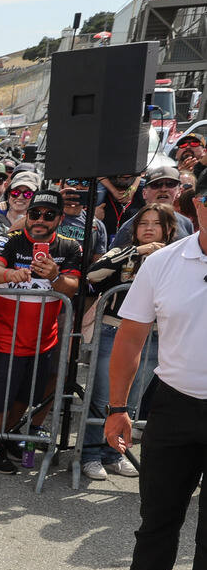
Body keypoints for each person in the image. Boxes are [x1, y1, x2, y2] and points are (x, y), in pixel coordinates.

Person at [83, 184, 207, 570]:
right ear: (198, 205)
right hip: (174, 405)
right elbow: (131, 337)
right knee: (157, 517)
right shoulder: (164, 262)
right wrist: (117, 407)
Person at [0, 190, 82, 473]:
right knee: (1, 397)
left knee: (26, 396)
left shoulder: (70, 247)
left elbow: (72, 288)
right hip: (5, 337)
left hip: (43, 339)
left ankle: (9, 437)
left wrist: (54, 276)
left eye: (49, 215)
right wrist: (9, 274)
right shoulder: (8, 240)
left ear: (59, 219)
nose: (40, 220)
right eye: (35, 213)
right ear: (27, 215)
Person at [77, 203, 175, 481]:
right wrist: (137, 252)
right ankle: (90, 455)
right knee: (103, 397)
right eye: (143, 223)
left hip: (155, 336)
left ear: (168, 228)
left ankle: (114, 455)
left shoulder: (176, 257)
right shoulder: (122, 251)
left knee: (131, 401)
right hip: (114, 331)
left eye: (156, 223)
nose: (149, 228)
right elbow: (93, 274)